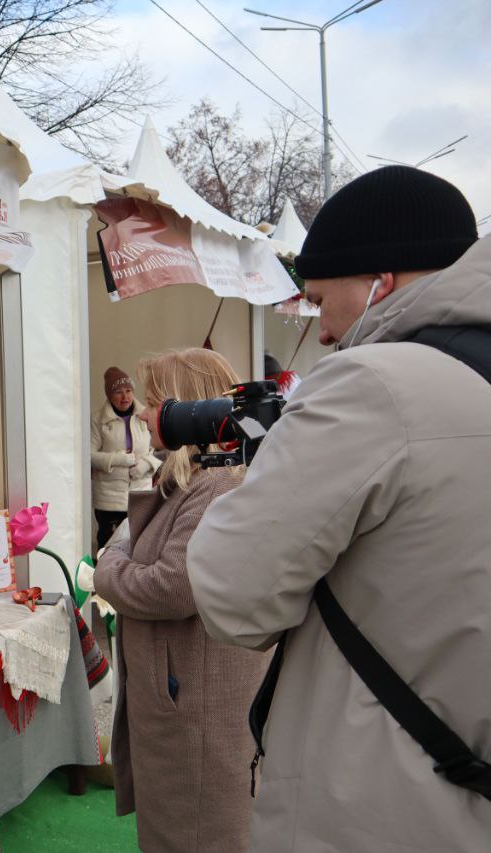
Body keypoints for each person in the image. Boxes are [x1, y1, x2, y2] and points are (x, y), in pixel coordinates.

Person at [187, 166, 491, 850]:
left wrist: (265, 477)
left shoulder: (373, 383)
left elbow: (232, 596)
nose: (321, 332)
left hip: (378, 799)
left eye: (322, 300)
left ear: (380, 281)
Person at [92, 348, 270, 852]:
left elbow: (170, 588)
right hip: (184, 701)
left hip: (198, 713)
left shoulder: (215, 487)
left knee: (195, 834)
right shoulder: (198, 481)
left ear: (189, 407)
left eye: (154, 403)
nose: (144, 414)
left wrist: (109, 565)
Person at [91, 366, 160, 548]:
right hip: (109, 500)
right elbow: (89, 455)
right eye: (118, 392)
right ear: (109, 395)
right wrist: (118, 460)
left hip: (141, 494)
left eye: (128, 390)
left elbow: (159, 449)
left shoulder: (145, 415)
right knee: (108, 546)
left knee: (139, 545)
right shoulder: (98, 419)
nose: (125, 397)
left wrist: (147, 464)